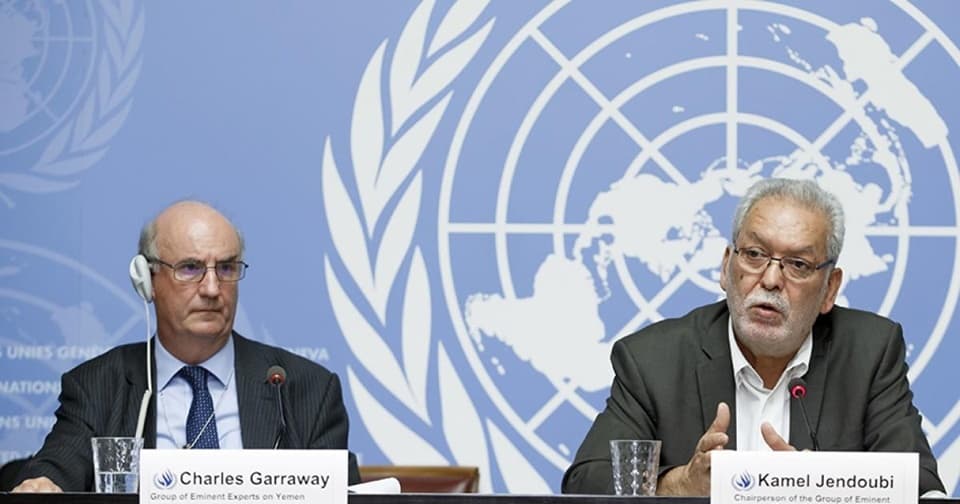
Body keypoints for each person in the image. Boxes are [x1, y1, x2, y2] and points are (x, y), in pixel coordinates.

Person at [561, 178, 944, 496]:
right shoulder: (653, 359)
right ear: (727, 266)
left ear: (830, 288)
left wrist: (822, 485)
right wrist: (681, 484)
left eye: (798, 264)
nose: (771, 279)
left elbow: (922, 486)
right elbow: (586, 482)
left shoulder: (869, 352)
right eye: (755, 255)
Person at [13, 201, 361, 492]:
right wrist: (43, 484)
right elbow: (57, 467)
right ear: (148, 280)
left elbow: (342, 495)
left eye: (226, 268)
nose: (212, 288)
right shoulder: (99, 385)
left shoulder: (304, 388)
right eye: (191, 268)